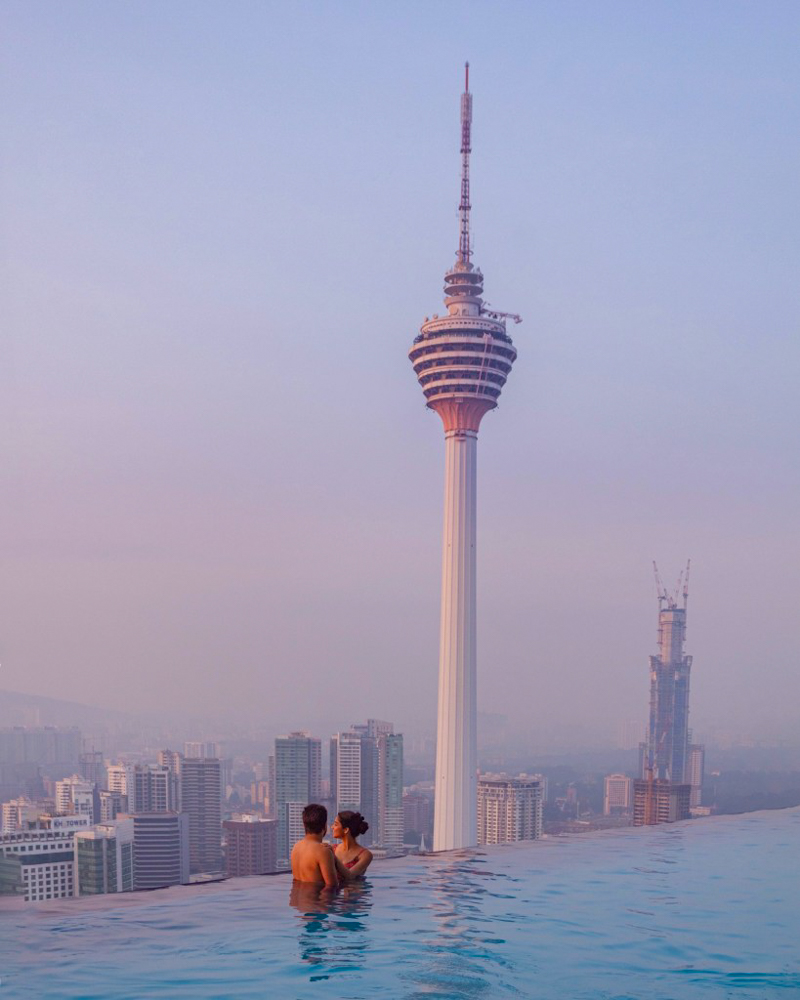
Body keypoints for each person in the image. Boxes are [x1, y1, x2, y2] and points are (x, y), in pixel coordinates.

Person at [291, 803, 338, 887]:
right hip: (315, 900)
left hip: (296, 899)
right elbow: (332, 887)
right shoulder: (323, 851)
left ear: (304, 825)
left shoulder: (296, 847)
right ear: (325, 826)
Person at [331, 810, 373, 880]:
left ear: (346, 830)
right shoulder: (332, 849)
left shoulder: (365, 855)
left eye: (335, 824)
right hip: (335, 889)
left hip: (354, 889)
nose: (332, 827)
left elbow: (350, 876)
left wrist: (334, 858)